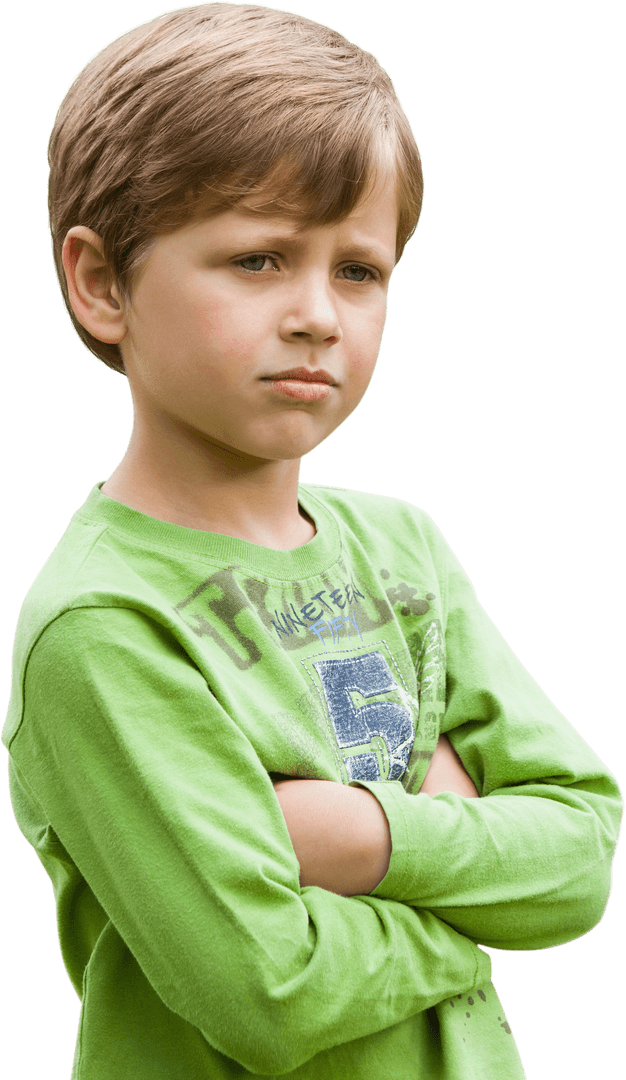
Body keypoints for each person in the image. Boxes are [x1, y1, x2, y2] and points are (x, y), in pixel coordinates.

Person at [2, 3, 622, 1077]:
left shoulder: (404, 548)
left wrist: (358, 838)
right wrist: (473, 885)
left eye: (358, 270)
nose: (317, 316)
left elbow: (578, 860)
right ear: (102, 283)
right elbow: (272, 989)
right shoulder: (104, 625)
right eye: (256, 260)